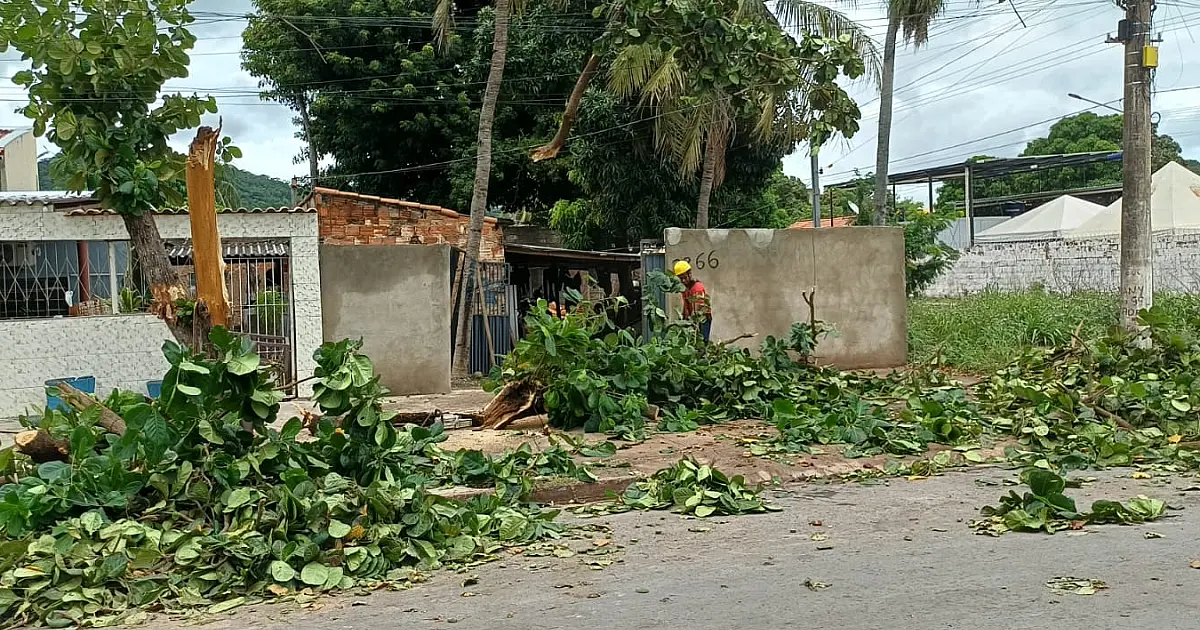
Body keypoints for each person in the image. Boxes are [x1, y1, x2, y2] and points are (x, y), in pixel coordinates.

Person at [672, 260, 712, 342]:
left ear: (690, 274)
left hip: (703, 319)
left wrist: (692, 324)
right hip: (692, 317)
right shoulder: (684, 288)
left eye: (684, 277)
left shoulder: (697, 288)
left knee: (701, 342)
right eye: (681, 278)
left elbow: (697, 310)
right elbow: (686, 305)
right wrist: (683, 320)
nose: (683, 281)